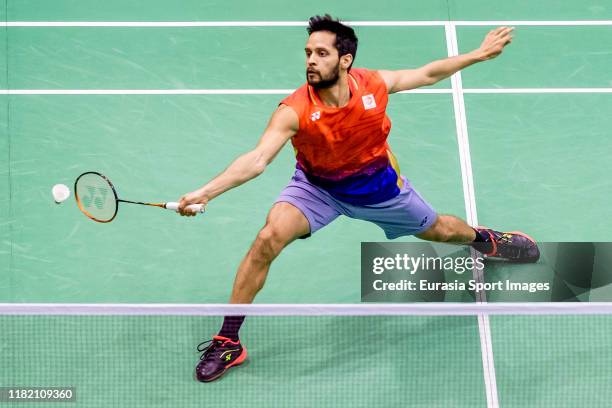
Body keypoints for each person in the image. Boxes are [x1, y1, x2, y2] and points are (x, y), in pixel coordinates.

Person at [177, 14, 540, 382]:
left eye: (321, 53)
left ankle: (486, 239)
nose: (310, 61)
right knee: (267, 239)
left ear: (344, 60)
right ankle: (229, 340)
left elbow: (427, 73)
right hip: (318, 188)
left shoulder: (373, 85)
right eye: (307, 53)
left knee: (442, 231)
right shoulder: (295, 109)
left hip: (378, 189)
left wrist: (478, 55)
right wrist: (205, 193)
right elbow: (256, 160)